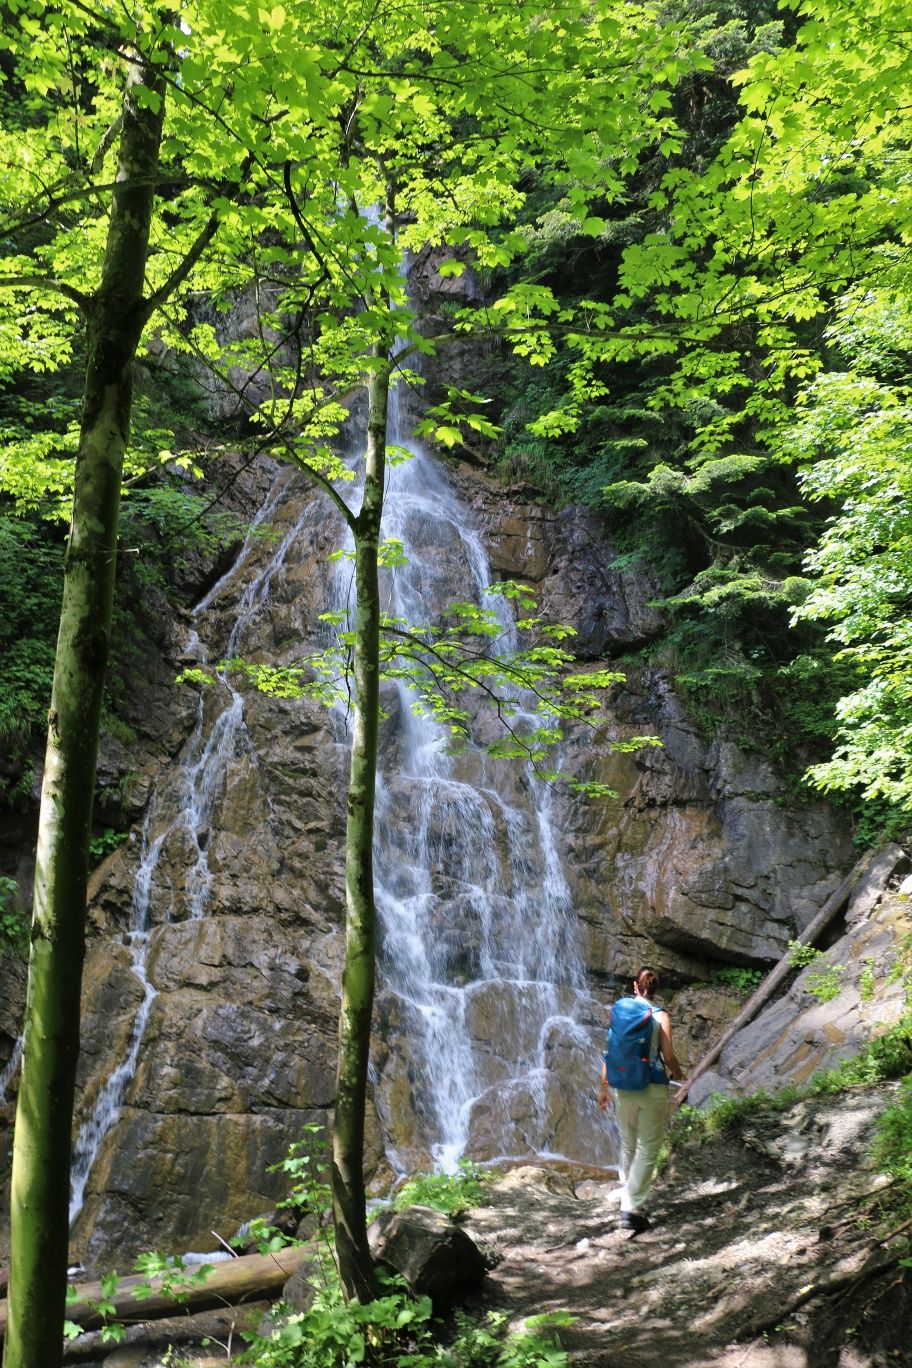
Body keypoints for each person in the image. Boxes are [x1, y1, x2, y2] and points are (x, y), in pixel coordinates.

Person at [598, 966, 682, 1233]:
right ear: (656, 990)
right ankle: (632, 1206)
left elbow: (611, 1051)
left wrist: (603, 1087)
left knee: (628, 1141)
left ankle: (628, 1192)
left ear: (635, 986)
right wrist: (681, 1075)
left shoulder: (620, 1011)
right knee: (647, 1148)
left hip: (622, 1087)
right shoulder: (660, 1015)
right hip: (651, 1086)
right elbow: (667, 1055)